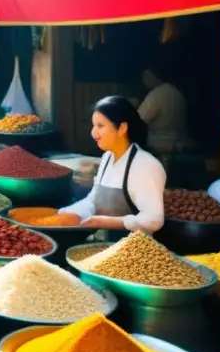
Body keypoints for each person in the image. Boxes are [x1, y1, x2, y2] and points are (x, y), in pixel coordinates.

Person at [57, 96, 166, 237]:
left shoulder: (146, 165)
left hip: (134, 251)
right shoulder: (107, 157)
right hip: (104, 245)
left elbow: (154, 220)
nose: (93, 133)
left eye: (100, 126)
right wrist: (65, 213)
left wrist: (104, 222)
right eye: (93, 126)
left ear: (122, 128)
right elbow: (93, 200)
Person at [138, 68, 190, 158]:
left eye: (146, 77)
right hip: (179, 140)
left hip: (159, 143)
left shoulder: (156, 95)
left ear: (153, 77)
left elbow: (139, 120)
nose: (144, 81)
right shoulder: (176, 92)